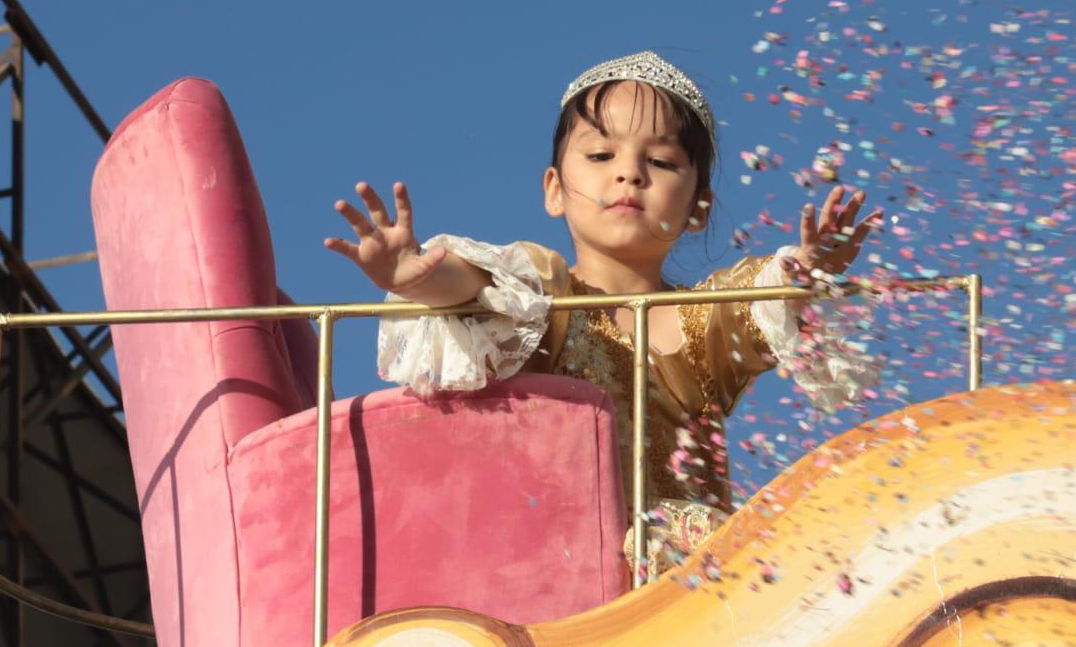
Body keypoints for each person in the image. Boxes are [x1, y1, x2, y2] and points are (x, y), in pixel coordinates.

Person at [325, 50, 882, 572]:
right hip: (553, 571)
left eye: (661, 161)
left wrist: (807, 267)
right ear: (554, 190)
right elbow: (475, 290)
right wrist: (422, 277)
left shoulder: (707, 317)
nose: (629, 172)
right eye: (600, 154)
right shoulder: (543, 293)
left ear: (698, 208)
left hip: (685, 588)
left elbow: (768, 297)